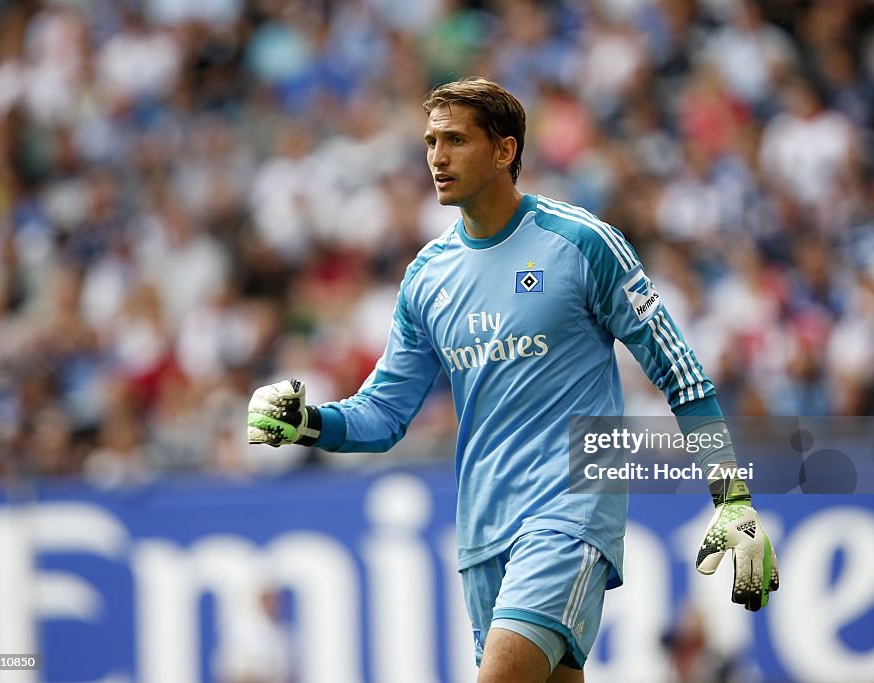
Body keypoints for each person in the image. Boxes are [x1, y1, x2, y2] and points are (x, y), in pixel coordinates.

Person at [247, 77, 779, 683]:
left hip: (569, 510)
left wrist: (732, 498)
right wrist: (309, 422)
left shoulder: (581, 243)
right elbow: (383, 413)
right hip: (482, 531)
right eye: (429, 142)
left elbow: (681, 374)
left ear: (504, 151)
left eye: (455, 140)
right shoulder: (428, 277)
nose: (436, 157)